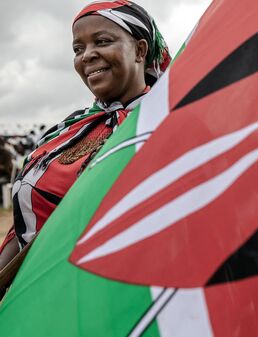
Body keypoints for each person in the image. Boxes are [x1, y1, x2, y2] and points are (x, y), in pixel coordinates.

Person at [0, 0, 170, 282]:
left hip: (120, 296)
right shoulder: (65, 132)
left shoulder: (167, 123)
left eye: (102, 41)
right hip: (39, 295)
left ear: (140, 50)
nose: (87, 56)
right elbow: (24, 226)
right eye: (78, 49)